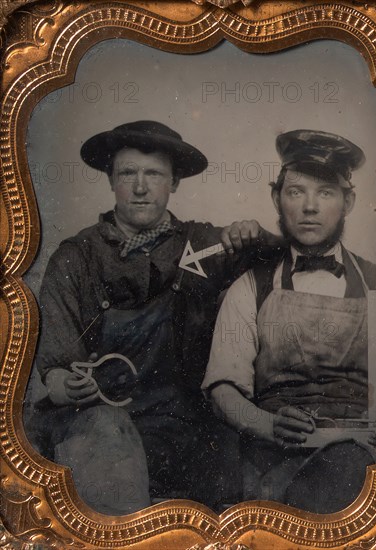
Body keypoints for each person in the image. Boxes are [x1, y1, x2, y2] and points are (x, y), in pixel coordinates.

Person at [26, 120, 281, 515]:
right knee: (109, 442)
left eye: (154, 174)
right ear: (111, 180)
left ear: (174, 182)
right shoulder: (75, 258)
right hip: (96, 428)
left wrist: (257, 235)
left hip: (183, 429)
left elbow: (290, 256)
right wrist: (65, 384)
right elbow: (56, 372)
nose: (140, 187)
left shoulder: (203, 245)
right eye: (128, 173)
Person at [202, 129, 376, 513]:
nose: (309, 207)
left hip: (360, 460)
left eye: (326, 192)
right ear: (276, 199)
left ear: (348, 201)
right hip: (271, 459)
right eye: (296, 191)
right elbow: (223, 391)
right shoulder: (250, 288)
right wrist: (268, 425)